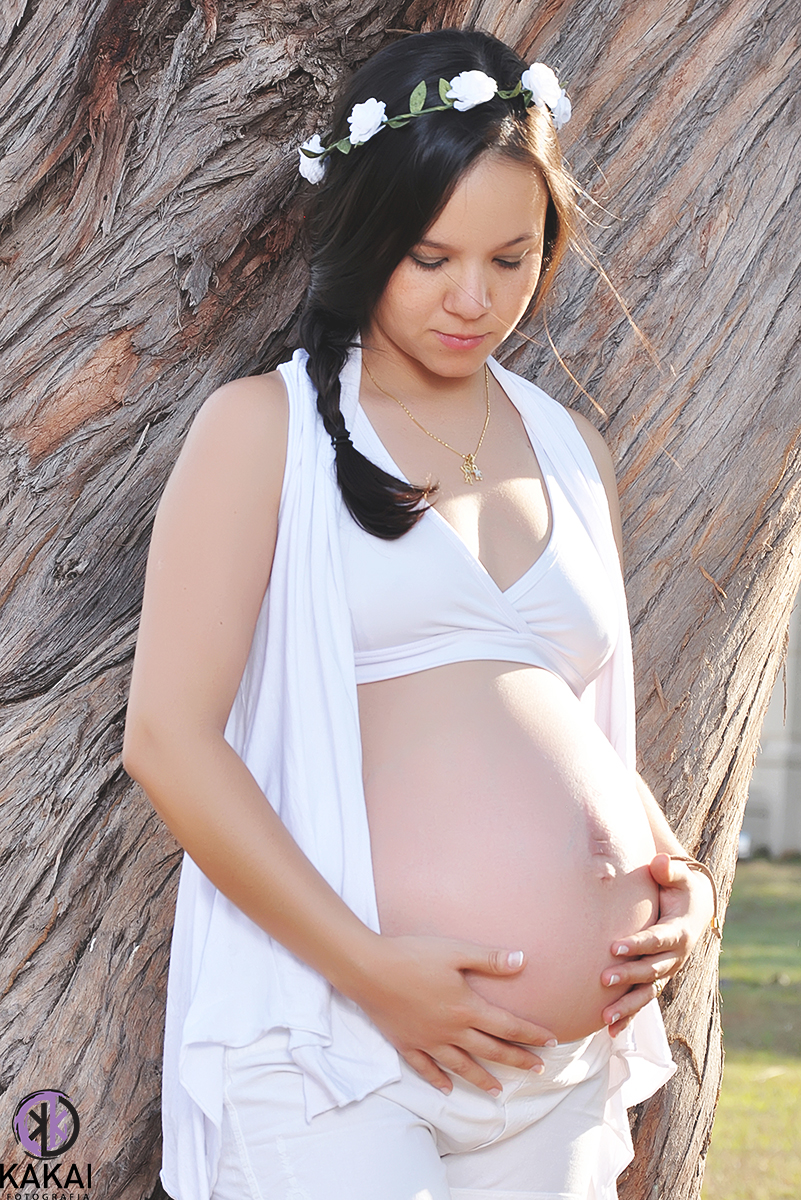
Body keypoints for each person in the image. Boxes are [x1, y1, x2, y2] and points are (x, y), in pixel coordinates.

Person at [123, 27, 720, 1200]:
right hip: (335, 1047)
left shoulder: (571, 448)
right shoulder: (267, 431)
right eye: (430, 255)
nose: (472, 299)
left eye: (511, 257)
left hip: (551, 1073)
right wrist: (371, 972)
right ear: (365, 236)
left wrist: (680, 879)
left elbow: (560, 718)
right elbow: (168, 741)